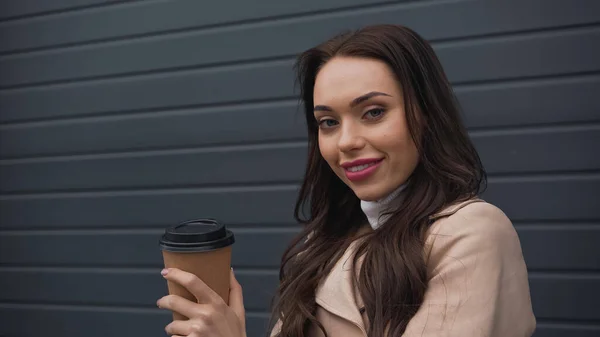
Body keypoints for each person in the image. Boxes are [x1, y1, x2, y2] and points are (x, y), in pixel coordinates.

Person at [156, 24, 536, 337]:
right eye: (329, 122)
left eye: (373, 112)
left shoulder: (471, 233)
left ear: (426, 114)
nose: (347, 142)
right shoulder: (322, 245)